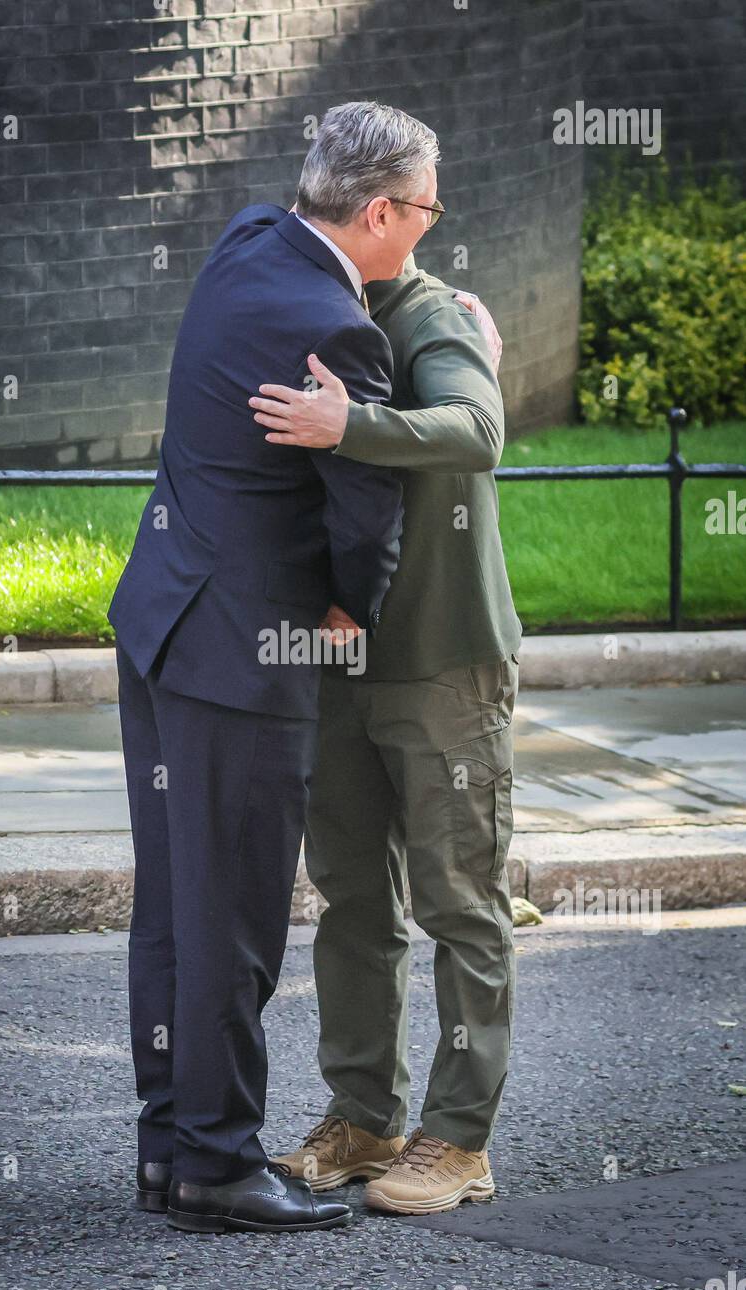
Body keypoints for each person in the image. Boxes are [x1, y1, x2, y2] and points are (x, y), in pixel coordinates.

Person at [108, 101, 441, 1234]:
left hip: (160, 619)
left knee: (174, 907)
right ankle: (214, 1163)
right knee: (237, 919)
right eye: (427, 214)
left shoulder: (247, 240)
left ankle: (168, 1146)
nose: (428, 239)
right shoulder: (339, 332)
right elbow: (367, 510)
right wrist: (350, 609)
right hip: (243, 655)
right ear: (384, 210)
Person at [249, 248, 521, 1214]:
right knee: (353, 900)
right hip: (337, 658)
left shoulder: (432, 313)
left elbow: (477, 429)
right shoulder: (309, 308)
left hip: (443, 658)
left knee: (458, 902)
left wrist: (347, 423)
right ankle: (364, 1119)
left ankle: (456, 1140)